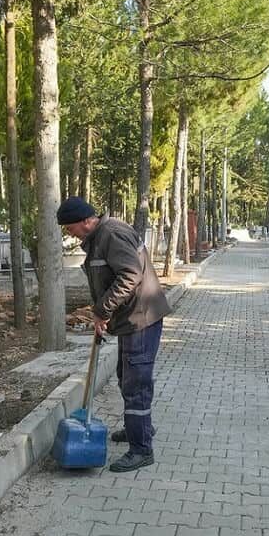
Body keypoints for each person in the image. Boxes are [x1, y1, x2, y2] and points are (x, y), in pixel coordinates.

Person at [57, 196, 171, 472]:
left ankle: (141, 449)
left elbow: (130, 275)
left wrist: (102, 310)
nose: (69, 233)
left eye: (70, 228)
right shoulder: (100, 237)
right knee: (126, 377)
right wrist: (103, 315)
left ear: (86, 221)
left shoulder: (112, 234)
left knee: (136, 384)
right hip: (130, 318)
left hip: (140, 318)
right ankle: (140, 427)